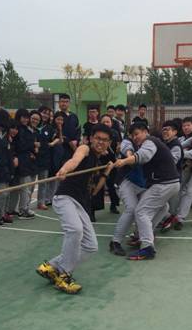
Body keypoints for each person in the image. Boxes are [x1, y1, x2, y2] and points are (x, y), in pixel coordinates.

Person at [36, 124, 114, 294]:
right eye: (98, 138)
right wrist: (64, 169)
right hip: (65, 197)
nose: (101, 142)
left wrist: (107, 172)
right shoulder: (84, 149)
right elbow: (75, 160)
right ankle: (64, 275)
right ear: (91, 138)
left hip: (81, 204)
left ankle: (51, 266)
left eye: (105, 140)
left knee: (91, 246)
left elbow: (94, 191)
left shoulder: (97, 162)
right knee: (75, 230)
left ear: (109, 143)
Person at [114, 122, 180, 260]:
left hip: (163, 183)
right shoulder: (138, 143)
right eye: (133, 135)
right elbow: (127, 146)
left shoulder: (149, 142)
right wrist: (128, 155)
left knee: (141, 211)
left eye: (137, 134)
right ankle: (142, 235)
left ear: (145, 132)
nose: (135, 137)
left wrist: (124, 161)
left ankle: (147, 247)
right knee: (163, 208)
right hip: (169, 183)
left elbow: (144, 155)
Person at [13, 109, 37, 219]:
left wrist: (32, 150)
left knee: (26, 187)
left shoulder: (27, 129)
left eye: (27, 118)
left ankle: (21, 208)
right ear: (19, 117)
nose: (26, 120)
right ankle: (23, 210)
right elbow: (21, 146)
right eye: (24, 117)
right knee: (24, 187)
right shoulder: (18, 129)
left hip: (27, 161)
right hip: (21, 162)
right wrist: (32, 145)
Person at [57, 93, 81, 159]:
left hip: (74, 147)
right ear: (59, 103)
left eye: (66, 102)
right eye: (62, 101)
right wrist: (69, 142)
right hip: (62, 148)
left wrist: (76, 140)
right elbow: (57, 132)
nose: (64, 104)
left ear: (69, 103)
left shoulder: (74, 116)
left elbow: (78, 129)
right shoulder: (56, 116)